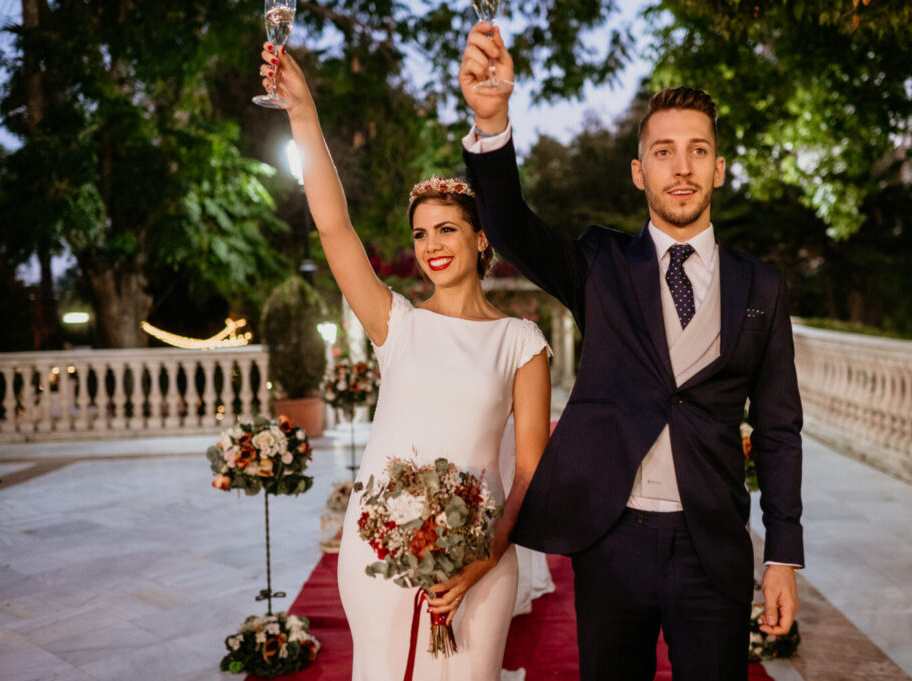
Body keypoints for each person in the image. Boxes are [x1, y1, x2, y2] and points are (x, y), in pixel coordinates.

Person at [458, 23, 804, 681]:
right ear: (640, 172)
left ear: (719, 169)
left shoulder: (762, 285)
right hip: (613, 539)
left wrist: (782, 552)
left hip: (713, 544)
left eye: (698, 150)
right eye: (665, 152)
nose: (683, 166)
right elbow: (508, 228)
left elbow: (779, 429)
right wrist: (494, 121)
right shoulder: (601, 265)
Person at [258, 44, 552, 679]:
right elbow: (334, 228)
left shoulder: (521, 342)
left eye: (446, 229)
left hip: (481, 555)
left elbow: (529, 469)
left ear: (480, 239)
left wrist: (482, 558)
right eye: (420, 233)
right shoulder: (397, 322)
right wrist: (303, 113)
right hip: (378, 553)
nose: (431, 245)